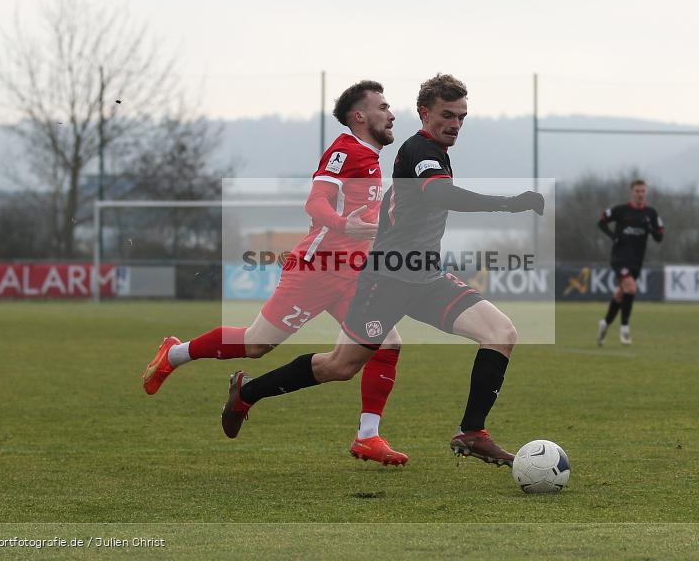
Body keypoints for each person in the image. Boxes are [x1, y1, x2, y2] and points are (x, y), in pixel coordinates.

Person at [219, 73, 545, 467]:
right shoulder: (419, 150)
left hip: (425, 277)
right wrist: (508, 203)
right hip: (386, 281)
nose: (455, 124)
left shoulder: (436, 153)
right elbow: (439, 193)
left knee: (501, 332)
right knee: (340, 367)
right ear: (424, 113)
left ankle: (472, 433)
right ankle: (248, 393)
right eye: (447, 114)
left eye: (461, 116)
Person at [142, 80, 410, 466]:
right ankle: (175, 353)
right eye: (383, 107)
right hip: (316, 269)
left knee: (386, 343)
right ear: (360, 116)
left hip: (352, 273)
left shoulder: (371, 158)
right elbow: (315, 201)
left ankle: (367, 436)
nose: (391, 113)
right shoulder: (344, 150)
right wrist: (342, 225)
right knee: (256, 344)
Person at [596, 179, 663, 346]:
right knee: (631, 288)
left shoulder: (651, 213)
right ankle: (625, 327)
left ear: (646, 193)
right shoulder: (621, 210)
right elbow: (601, 222)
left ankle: (604, 324)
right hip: (619, 257)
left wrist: (650, 228)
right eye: (637, 191)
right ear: (631, 192)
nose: (640, 194)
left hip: (636, 261)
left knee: (621, 293)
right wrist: (613, 236)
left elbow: (659, 237)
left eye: (643, 191)